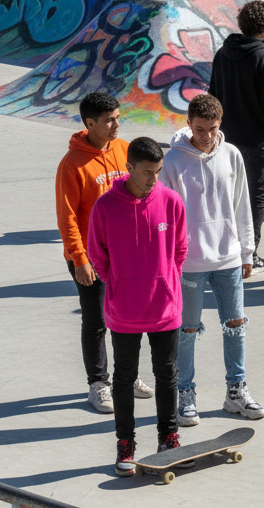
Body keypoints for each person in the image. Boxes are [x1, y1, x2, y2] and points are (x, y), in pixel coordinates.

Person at [159, 94, 264, 428]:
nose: (206, 136)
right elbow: (165, 214)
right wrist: (167, 260)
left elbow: (242, 205)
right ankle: (186, 395)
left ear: (221, 126)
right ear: (188, 124)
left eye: (213, 129)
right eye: (200, 129)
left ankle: (236, 391)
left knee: (236, 326)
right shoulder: (173, 161)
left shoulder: (231, 155)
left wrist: (247, 251)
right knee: (187, 330)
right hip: (189, 262)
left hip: (229, 258)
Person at [88, 137, 188, 477]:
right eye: (147, 172)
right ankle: (126, 443)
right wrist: (118, 283)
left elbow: (180, 249)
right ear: (128, 167)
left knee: (167, 375)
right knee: (124, 378)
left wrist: (166, 280)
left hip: (165, 307)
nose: (153, 180)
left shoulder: (171, 202)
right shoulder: (105, 207)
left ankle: (168, 437)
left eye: (158, 172)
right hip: (125, 310)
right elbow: (98, 257)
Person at [55, 92, 154, 414]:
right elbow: (67, 215)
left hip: (128, 253)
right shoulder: (72, 164)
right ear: (90, 123)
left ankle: (129, 375)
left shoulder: (125, 150)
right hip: (92, 258)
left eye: (117, 117)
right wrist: (79, 258)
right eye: (109, 120)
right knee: (96, 321)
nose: (116, 124)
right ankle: (98, 383)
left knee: (129, 318)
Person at [208, 0, 264, 271]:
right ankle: (249, 256)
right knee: (254, 198)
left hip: (225, 141)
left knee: (226, 197)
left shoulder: (222, 53)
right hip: (256, 142)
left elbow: (213, 95)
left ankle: (224, 251)